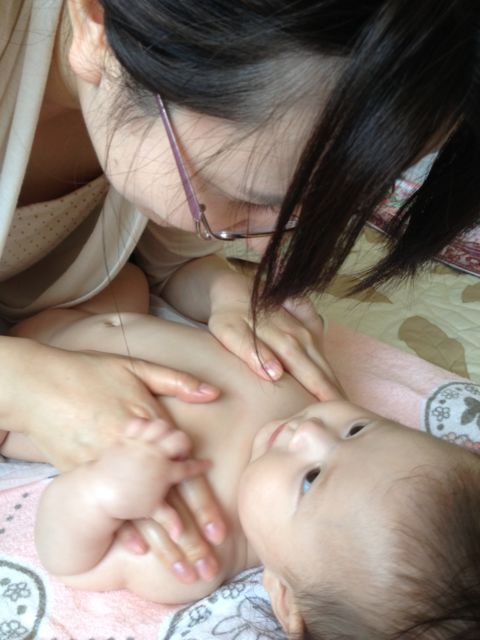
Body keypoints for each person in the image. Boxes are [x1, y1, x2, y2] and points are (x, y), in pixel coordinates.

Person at [2, 0, 478, 584]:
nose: (266, 246)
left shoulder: (204, 543)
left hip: (94, 310)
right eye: (248, 196)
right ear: (94, 24)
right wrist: (26, 386)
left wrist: (220, 289)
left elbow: (154, 248)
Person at [2, 265, 479, 639]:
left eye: (311, 479)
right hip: (95, 303)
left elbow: (72, 560)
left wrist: (101, 492)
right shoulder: (314, 396)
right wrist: (272, 312)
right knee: (127, 276)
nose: (311, 433)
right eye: (359, 429)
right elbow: (246, 320)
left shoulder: (194, 552)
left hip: (18, 404)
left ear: (283, 596)